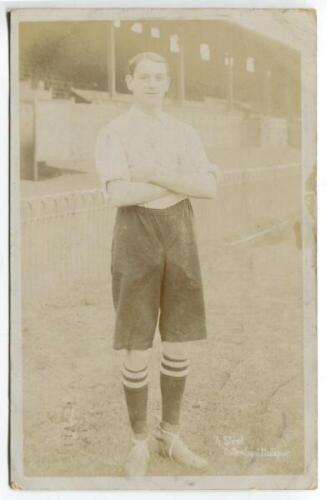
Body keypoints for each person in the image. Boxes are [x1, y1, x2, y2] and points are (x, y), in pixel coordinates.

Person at [95, 51, 218, 476]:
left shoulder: (184, 132)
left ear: (168, 83)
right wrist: (176, 181)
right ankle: (139, 443)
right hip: (135, 236)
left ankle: (171, 434)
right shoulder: (114, 131)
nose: (152, 83)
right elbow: (117, 194)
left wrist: (154, 173)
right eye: (143, 76)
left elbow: (209, 186)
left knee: (179, 339)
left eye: (159, 77)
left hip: (180, 233)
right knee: (135, 343)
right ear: (129, 81)